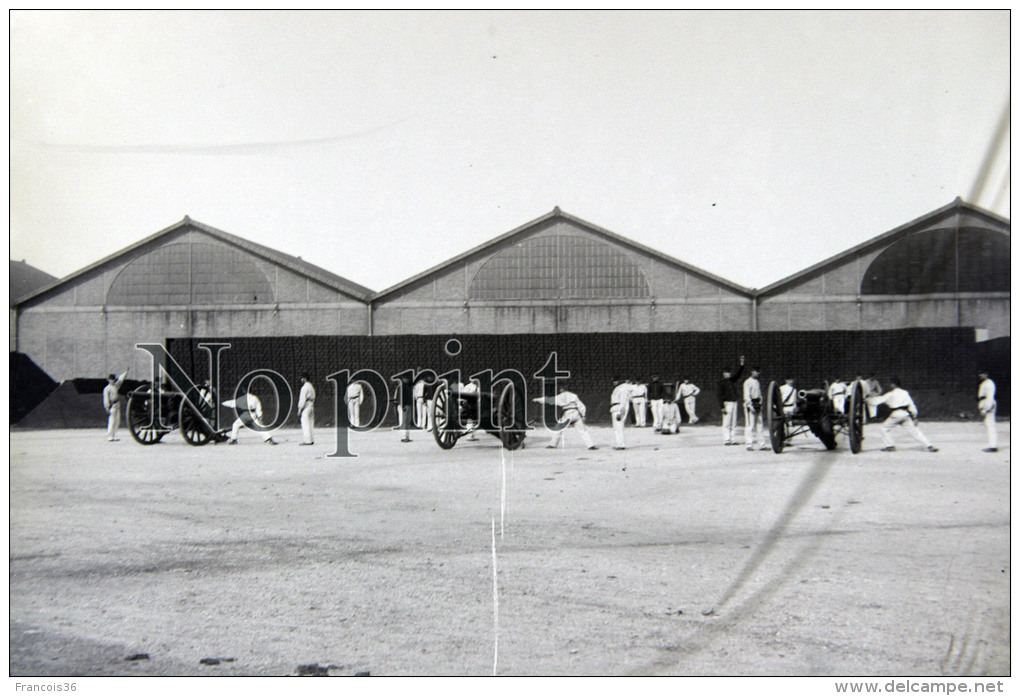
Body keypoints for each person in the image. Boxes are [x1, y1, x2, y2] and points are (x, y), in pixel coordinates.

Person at [867, 377, 938, 452]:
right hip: (905, 415)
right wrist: (914, 417)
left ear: (893, 385)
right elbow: (911, 405)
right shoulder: (905, 393)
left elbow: (877, 401)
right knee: (915, 432)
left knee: (883, 428)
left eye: (890, 384)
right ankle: (929, 446)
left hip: (896, 415)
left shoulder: (891, 394)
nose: (890, 385)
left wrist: (866, 400)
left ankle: (890, 446)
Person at [533, 383, 597, 450]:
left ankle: (553, 445)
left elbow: (549, 400)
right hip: (575, 413)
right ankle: (590, 445)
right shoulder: (574, 396)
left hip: (567, 414)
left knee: (558, 429)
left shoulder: (560, 396)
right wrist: (583, 415)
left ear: (561, 389)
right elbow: (581, 406)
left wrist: (537, 399)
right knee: (583, 431)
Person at [717, 355, 745, 445]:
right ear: (723, 373)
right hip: (727, 403)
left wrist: (741, 365)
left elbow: (738, 374)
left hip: (734, 403)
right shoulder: (721, 383)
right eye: (726, 372)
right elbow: (719, 395)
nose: (727, 374)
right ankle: (726, 439)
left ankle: (733, 439)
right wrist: (722, 407)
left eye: (729, 372)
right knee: (726, 422)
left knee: (733, 422)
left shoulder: (731, 380)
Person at [743, 367, 766, 450]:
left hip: (757, 404)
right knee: (750, 426)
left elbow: (759, 394)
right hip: (751, 405)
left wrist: (760, 403)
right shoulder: (747, 382)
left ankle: (762, 444)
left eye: (759, 372)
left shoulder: (757, 382)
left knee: (760, 425)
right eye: (756, 371)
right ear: (752, 372)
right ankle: (749, 444)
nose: (758, 373)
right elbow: (746, 395)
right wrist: (750, 406)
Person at [610, 377, 636, 449]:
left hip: (618, 407)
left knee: (619, 427)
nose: (614, 382)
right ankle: (619, 443)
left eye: (616, 381)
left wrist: (619, 412)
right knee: (616, 428)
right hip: (614, 407)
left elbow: (623, 401)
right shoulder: (618, 388)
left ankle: (621, 444)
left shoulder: (623, 389)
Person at [102, 370, 128, 442]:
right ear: (108, 380)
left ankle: (113, 435)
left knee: (117, 421)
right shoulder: (107, 388)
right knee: (112, 421)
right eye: (111, 380)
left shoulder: (116, 386)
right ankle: (110, 436)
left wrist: (126, 372)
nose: (112, 381)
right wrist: (107, 407)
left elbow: (121, 379)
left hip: (117, 404)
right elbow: (106, 399)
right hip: (112, 405)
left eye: (113, 380)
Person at [977, 370, 998, 452]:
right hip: (986, 402)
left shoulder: (989, 384)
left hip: (989, 403)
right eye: (980, 374)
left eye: (982, 373)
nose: (980, 375)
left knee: (990, 425)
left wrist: (986, 409)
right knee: (989, 424)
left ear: (986, 374)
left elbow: (990, 397)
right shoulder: (985, 383)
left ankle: (993, 446)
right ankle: (992, 444)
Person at [297, 372, 315, 445]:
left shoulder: (304, 387)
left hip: (306, 405)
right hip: (311, 404)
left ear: (304, 379)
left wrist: (300, 409)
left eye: (302, 378)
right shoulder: (311, 386)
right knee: (310, 423)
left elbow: (302, 399)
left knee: (305, 423)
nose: (301, 380)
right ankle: (311, 439)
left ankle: (307, 440)